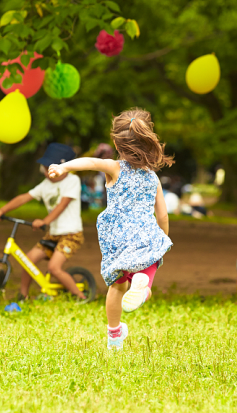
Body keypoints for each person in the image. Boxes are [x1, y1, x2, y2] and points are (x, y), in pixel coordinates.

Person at [48, 108, 174, 350]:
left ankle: (114, 337)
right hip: (144, 231)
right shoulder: (153, 177)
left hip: (116, 236)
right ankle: (143, 287)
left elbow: (90, 162)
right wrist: (162, 240)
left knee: (117, 286)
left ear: (116, 141)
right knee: (146, 270)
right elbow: (163, 214)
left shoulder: (114, 168)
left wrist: (64, 168)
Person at [0, 143, 85, 300]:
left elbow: (63, 205)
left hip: (71, 234)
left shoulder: (72, 181)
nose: (47, 172)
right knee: (28, 261)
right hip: (52, 234)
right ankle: (23, 295)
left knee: (54, 268)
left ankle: (81, 297)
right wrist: (2, 210)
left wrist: (44, 221)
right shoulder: (45, 184)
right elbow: (24, 197)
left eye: (50, 167)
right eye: (45, 167)